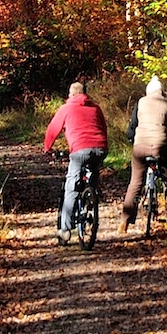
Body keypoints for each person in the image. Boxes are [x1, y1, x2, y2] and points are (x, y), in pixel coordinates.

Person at [44, 81, 108, 244]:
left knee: (71, 186)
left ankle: (65, 230)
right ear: (85, 94)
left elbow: (52, 130)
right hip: (100, 148)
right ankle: (91, 197)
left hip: (79, 150)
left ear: (71, 95)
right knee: (93, 171)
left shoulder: (67, 108)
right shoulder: (95, 107)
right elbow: (103, 127)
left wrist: (47, 148)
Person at [122, 76, 167, 233]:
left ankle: (125, 221)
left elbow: (132, 128)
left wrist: (132, 138)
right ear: (162, 91)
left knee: (136, 183)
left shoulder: (141, 102)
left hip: (140, 147)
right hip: (161, 147)